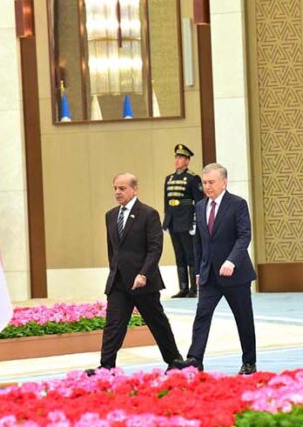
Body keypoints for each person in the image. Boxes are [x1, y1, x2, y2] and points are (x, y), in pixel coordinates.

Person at [89, 173, 182, 374]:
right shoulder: (111, 215)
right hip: (119, 282)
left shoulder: (148, 214)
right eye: (115, 188)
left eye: (122, 188)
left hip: (143, 282)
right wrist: (114, 271)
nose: (117, 192)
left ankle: (174, 360)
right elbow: (112, 250)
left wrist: (144, 274)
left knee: (157, 323)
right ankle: (106, 366)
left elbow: (155, 248)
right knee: (113, 325)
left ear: (135, 189)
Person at [172, 163, 257, 375]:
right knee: (202, 315)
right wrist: (199, 271)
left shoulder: (237, 204)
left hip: (235, 274)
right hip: (209, 274)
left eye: (212, 182)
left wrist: (231, 261)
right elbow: (199, 242)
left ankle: (249, 361)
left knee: (243, 319)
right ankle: (195, 359)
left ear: (224, 182)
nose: (207, 187)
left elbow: (244, 235)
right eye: (205, 183)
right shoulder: (200, 206)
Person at [163, 144, 204, 298]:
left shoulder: (193, 178)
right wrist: (166, 222)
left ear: (187, 161)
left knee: (190, 256)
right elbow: (167, 201)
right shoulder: (170, 178)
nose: (177, 160)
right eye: (176, 157)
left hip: (187, 221)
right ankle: (183, 288)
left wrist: (195, 222)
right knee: (179, 255)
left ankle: (194, 289)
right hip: (174, 221)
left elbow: (199, 202)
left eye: (181, 158)